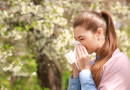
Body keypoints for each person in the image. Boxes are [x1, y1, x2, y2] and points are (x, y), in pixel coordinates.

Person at [68, 10, 130, 90]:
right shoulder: (91, 63)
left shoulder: (119, 61)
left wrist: (85, 71)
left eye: (82, 38)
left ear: (99, 33)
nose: (78, 44)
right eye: (76, 40)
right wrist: (76, 71)